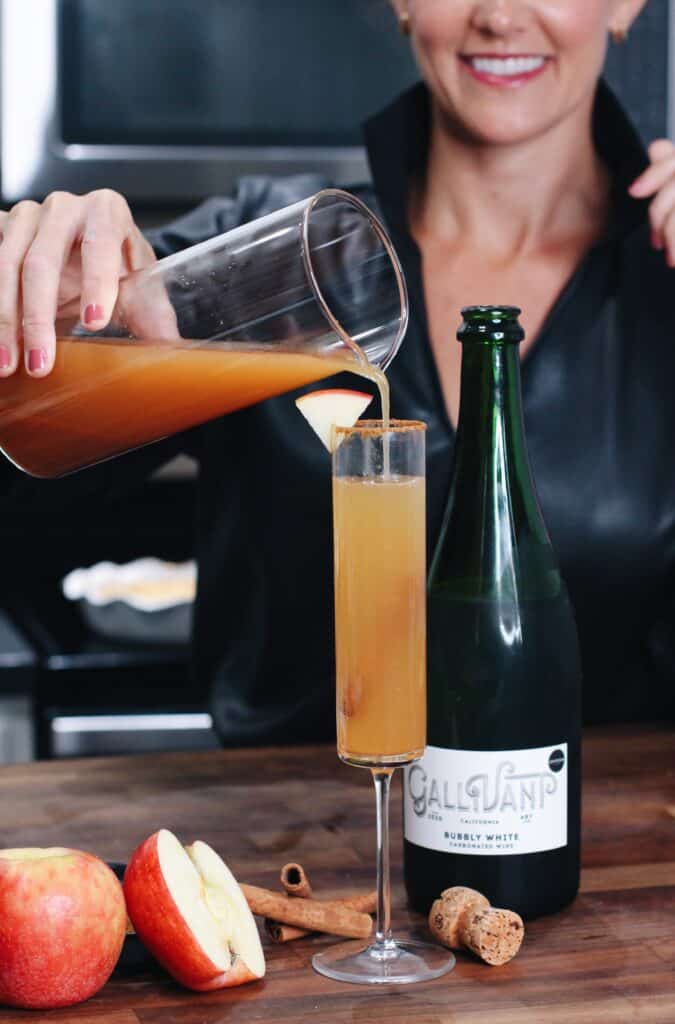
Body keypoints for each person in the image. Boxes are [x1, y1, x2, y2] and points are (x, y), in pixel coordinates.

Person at [0, 0, 673, 742]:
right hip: (283, 815)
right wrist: (38, 324)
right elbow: (21, 469)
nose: (499, 15)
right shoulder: (252, 258)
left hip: (603, 816)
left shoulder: (663, 284)